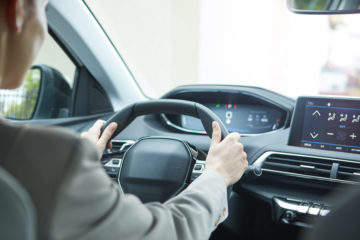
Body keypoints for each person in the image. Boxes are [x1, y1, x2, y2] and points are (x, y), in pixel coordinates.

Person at [0, 0, 248, 239]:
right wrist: (217, 173)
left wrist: (83, 156)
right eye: (45, 9)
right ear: (17, 11)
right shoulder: (60, 163)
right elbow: (166, 233)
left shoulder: (43, 162)